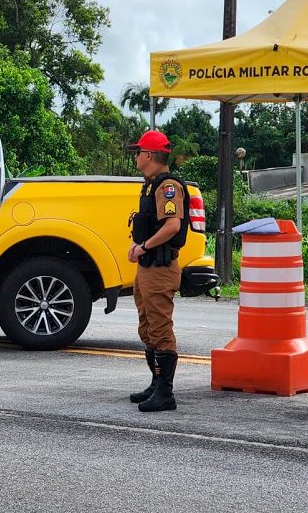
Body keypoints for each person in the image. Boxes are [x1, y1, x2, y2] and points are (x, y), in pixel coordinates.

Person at [126, 130, 189, 412]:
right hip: (148, 265)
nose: (136, 156)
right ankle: (156, 383)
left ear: (149, 155)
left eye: (138, 152)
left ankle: (165, 394)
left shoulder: (168, 186)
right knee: (147, 326)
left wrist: (144, 246)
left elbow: (173, 225)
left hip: (161, 267)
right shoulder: (150, 185)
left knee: (161, 328)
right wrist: (138, 246)